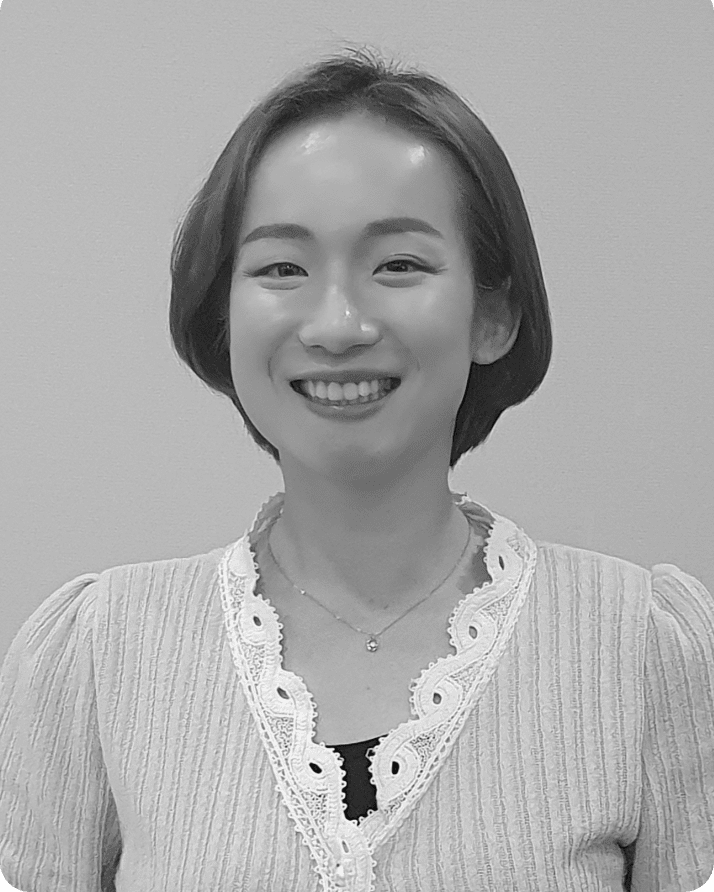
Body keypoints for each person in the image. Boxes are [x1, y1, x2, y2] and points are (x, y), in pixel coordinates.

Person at [1, 44, 713, 892]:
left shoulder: (643, 648)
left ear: (494, 315)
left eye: (398, 265)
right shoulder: (95, 655)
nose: (337, 324)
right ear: (223, 314)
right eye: (282, 269)